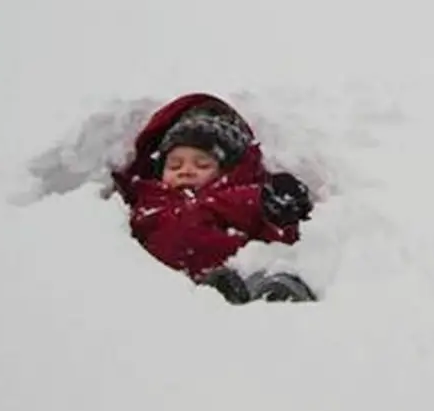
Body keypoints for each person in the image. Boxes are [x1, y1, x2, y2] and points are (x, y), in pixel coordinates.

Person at [111, 92, 316, 303]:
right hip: (170, 291)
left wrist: (281, 214)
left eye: (202, 165)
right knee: (214, 286)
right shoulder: (149, 199)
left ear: (225, 171)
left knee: (269, 276)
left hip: (242, 279)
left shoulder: (242, 198)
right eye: (174, 165)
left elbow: (277, 239)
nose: (186, 171)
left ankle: (280, 303)